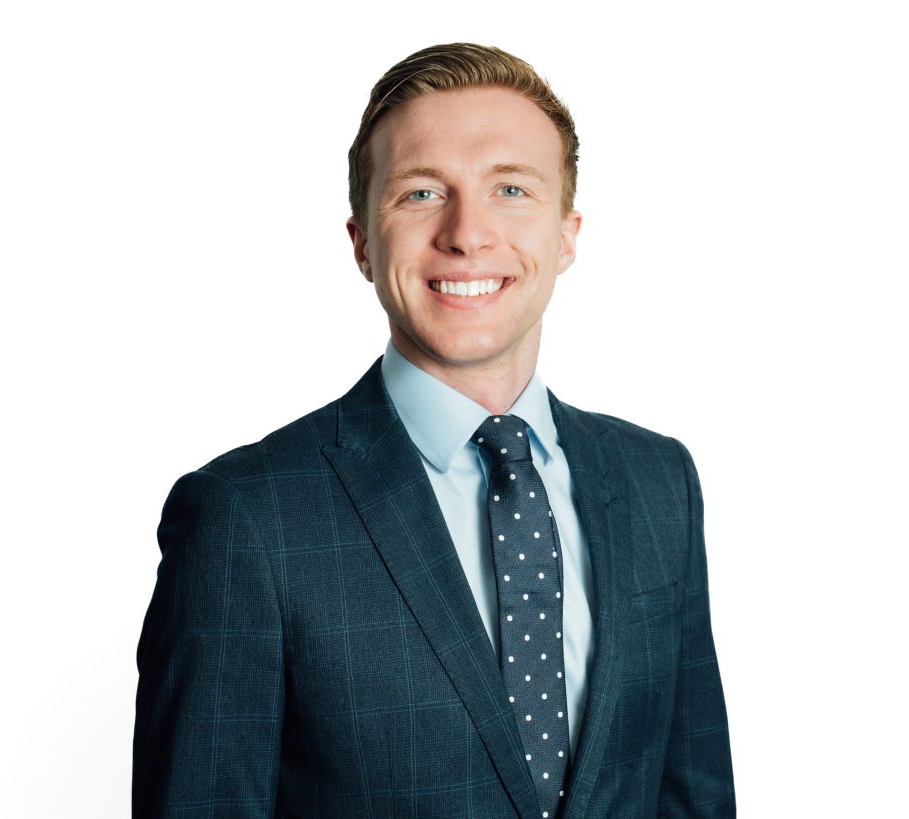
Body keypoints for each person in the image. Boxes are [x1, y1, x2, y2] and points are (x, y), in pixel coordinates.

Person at [133, 42, 735, 818]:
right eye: (421, 194)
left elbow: (695, 798)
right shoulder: (245, 518)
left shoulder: (660, 482)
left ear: (567, 234)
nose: (468, 232)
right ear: (360, 242)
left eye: (511, 188)